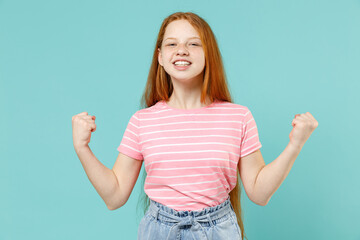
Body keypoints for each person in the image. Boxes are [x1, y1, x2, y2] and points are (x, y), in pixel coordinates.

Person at [72, 12, 319, 240]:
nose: (181, 50)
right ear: (160, 56)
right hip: (159, 231)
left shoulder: (238, 117)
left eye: (193, 43)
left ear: (208, 54)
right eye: (172, 44)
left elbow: (259, 193)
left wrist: (295, 145)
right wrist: (82, 147)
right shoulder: (142, 121)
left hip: (219, 230)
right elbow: (114, 197)